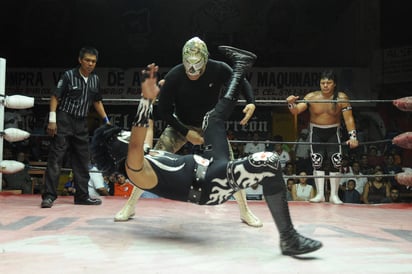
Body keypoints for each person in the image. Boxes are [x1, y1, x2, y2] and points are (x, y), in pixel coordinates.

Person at [92, 47, 322, 256]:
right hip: (211, 183)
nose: (131, 136)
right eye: (126, 136)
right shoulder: (134, 168)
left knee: (213, 118)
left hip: (211, 164)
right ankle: (289, 238)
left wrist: (151, 99)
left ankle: (241, 67)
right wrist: (144, 99)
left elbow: (147, 127)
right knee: (269, 161)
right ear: (120, 150)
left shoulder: (145, 153)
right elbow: (138, 137)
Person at [114, 37, 261, 227]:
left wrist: (251, 101)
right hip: (181, 125)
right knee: (149, 162)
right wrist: (186, 132)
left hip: (210, 125)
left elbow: (239, 81)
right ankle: (130, 205)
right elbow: (165, 112)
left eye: (197, 65)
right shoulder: (175, 75)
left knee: (230, 165)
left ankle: (245, 211)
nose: (192, 71)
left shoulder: (219, 68)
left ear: (206, 60)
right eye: (188, 65)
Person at [40, 46, 111, 208]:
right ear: (80, 60)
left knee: (82, 160)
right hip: (64, 119)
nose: (90, 64)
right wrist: (53, 119)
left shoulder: (95, 80)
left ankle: (82, 196)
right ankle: (49, 196)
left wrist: (106, 120)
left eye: (93, 61)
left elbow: (97, 101)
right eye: (87, 60)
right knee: (56, 159)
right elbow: (55, 96)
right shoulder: (68, 76)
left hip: (81, 122)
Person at [286, 70, 359, 204]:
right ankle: (320, 194)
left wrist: (353, 137)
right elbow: (295, 111)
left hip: (333, 132)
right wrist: (290, 103)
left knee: (336, 162)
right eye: (323, 82)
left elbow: (349, 119)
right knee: (317, 161)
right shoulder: (312, 97)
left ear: (334, 84)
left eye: (328, 83)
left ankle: (334, 195)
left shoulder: (341, 98)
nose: (325, 85)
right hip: (316, 132)